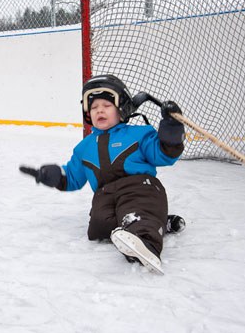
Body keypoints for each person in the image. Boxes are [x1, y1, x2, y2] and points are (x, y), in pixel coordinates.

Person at [20, 74, 186, 274]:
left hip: (140, 188)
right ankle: (157, 221)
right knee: (99, 228)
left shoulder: (140, 134)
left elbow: (163, 155)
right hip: (105, 196)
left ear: (122, 108)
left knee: (137, 211)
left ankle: (146, 244)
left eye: (106, 105)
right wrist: (54, 175)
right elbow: (73, 177)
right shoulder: (84, 147)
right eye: (94, 107)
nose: (99, 110)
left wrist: (171, 129)